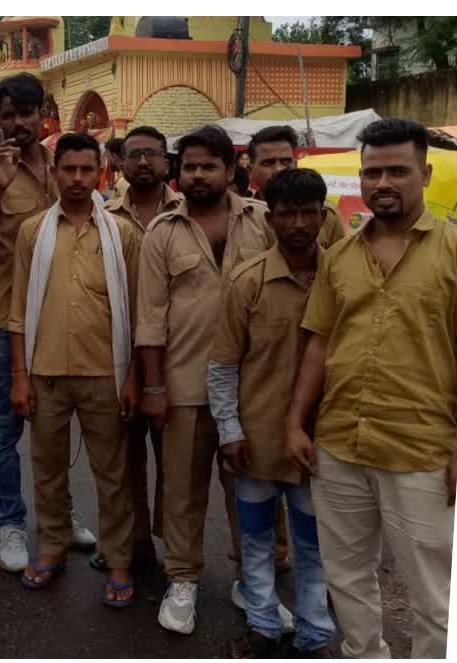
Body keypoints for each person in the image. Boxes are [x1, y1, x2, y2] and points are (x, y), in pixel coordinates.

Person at [286, 118, 457, 659]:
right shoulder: (339, 258)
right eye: (372, 172)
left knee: (434, 596)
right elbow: (319, 342)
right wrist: (297, 420)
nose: (383, 183)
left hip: (421, 449)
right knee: (347, 579)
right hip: (340, 443)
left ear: (425, 174)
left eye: (397, 171)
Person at [135, 124, 286, 635]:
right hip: (183, 385)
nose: (198, 175)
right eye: (190, 167)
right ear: (179, 173)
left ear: (230, 170)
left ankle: (253, 581)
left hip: (255, 389)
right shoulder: (162, 232)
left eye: (209, 166)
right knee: (181, 489)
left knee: (251, 491)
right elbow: (150, 319)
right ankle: (182, 580)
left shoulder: (264, 221)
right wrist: (153, 388)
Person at [0, 73, 94, 573]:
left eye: (27, 112)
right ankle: (10, 523)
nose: (18, 123)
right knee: (4, 428)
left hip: (64, 318)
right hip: (5, 322)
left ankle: (58, 517)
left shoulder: (64, 168)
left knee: (57, 427)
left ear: (43, 114)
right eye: (9, 115)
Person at [8, 132, 140, 603]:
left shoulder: (121, 233)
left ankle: (120, 560)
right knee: (46, 469)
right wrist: (19, 377)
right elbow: (18, 308)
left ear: (101, 172)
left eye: (87, 170)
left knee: (113, 472)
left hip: (107, 372)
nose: (78, 179)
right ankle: (53, 547)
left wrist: (133, 377)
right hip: (44, 373)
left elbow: (137, 310)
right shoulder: (33, 231)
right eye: (69, 170)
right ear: (54, 172)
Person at [209, 169, 336, 658]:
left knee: (313, 545)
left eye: (310, 213)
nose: (300, 223)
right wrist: (228, 430)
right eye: (288, 213)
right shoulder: (247, 281)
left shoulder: (342, 277)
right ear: (271, 217)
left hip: (320, 443)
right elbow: (223, 365)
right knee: (256, 541)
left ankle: (315, 634)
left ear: (324, 216)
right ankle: (262, 624)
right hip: (256, 441)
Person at [105, 125, 183, 569]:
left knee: (172, 463)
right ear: (121, 163)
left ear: (166, 162)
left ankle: (176, 551)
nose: (142, 163)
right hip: (119, 357)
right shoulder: (104, 216)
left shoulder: (188, 212)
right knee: (125, 459)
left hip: (175, 356)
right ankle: (134, 544)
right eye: (133, 155)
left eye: (152, 154)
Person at [246, 125, 346, 248]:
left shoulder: (326, 215)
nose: (278, 169)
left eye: (286, 162)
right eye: (268, 163)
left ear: (296, 164)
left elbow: (339, 263)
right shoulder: (242, 217)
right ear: (250, 171)